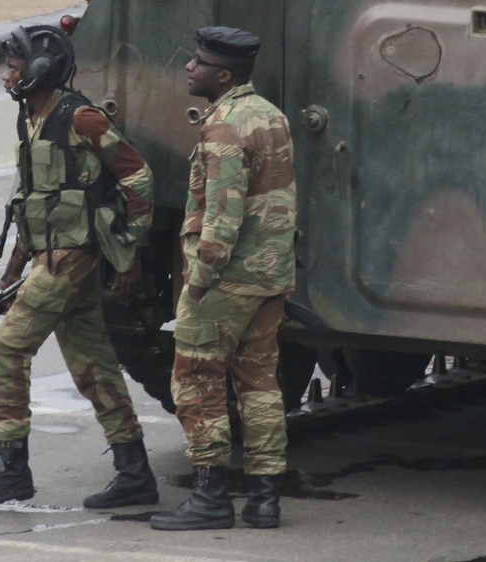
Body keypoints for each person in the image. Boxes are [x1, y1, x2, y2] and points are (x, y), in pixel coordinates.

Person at [0, 25, 159, 510]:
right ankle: (135, 474)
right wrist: (13, 267)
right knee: (95, 367)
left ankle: (12, 469)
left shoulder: (80, 117)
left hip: (75, 257)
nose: (6, 78)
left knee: (7, 350)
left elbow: (138, 176)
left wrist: (128, 253)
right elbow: (32, 199)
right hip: (51, 255)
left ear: (40, 72)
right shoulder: (32, 116)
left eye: (13, 70)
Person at [149, 26, 297, 531]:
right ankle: (264, 497)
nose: (190, 68)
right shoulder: (270, 115)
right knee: (259, 384)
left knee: (196, 379)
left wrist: (199, 279)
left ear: (224, 75)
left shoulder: (225, 128)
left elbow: (223, 214)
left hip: (226, 280)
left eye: (199, 63)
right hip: (268, 276)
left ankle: (211, 495)